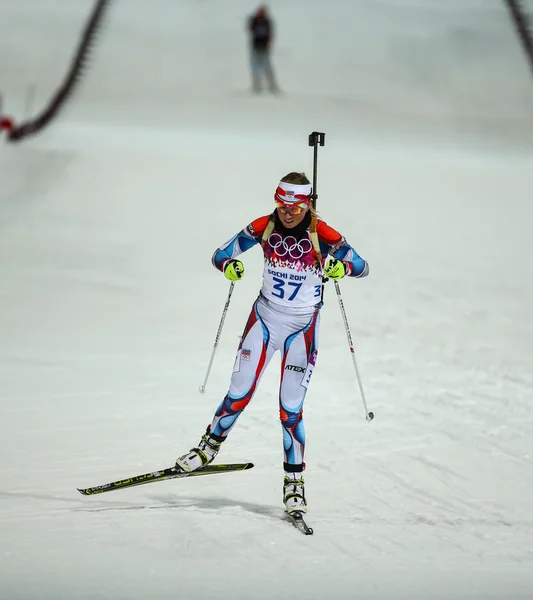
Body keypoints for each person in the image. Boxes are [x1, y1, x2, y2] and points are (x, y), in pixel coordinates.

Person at [176, 172, 369, 514]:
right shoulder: (264, 225)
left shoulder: (321, 233)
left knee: (290, 409)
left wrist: (342, 268)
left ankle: (294, 484)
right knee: (239, 391)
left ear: (307, 204)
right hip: (265, 318)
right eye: (282, 205)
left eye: (295, 207)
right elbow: (221, 253)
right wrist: (229, 265)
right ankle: (207, 448)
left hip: (302, 326)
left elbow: (362, 265)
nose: (287, 213)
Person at [247, 5, 278, 93]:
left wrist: (269, 42)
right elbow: (250, 30)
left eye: (263, 12)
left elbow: (270, 33)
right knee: (255, 66)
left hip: (264, 47)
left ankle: (272, 85)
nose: (262, 13)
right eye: (261, 12)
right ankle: (256, 85)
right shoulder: (254, 20)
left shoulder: (267, 21)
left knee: (267, 66)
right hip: (256, 46)